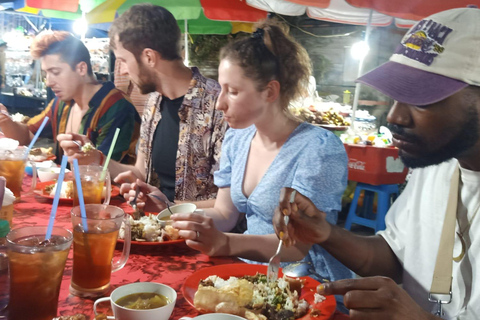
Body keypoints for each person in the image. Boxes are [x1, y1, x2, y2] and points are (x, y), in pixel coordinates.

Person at [272, 7, 480, 319]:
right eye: (396, 95)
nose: (395, 116)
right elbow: (394, 257)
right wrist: (325, 233)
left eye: (422, 98)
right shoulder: (437, 163)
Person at [129, 19, 354, 287]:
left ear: (270, 91)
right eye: (222, 88)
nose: (221, 102)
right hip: (252, 274)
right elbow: (225, 214)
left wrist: (226, 243)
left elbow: (298, 247)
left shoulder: (318, 149)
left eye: (233, 92)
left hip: (307, 281)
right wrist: (169, 211)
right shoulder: (238, 138)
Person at [59, 4, 227, 206]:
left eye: (123, 61)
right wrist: (96, 159)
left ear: (149, 57)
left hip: (198, 233)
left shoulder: (220, 106)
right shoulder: (154, 103)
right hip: (154, 228)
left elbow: (230, 204)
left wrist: (169, 209)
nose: (122, 72)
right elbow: (141, 172)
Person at [0, 31, 140, 164]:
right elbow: (26, 136)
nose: (48, 82)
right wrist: (5, 120)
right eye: (46, 74)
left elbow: (103, 170)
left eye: (55, 72)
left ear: (81, 69)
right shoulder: (61, 103)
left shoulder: (116, 106)